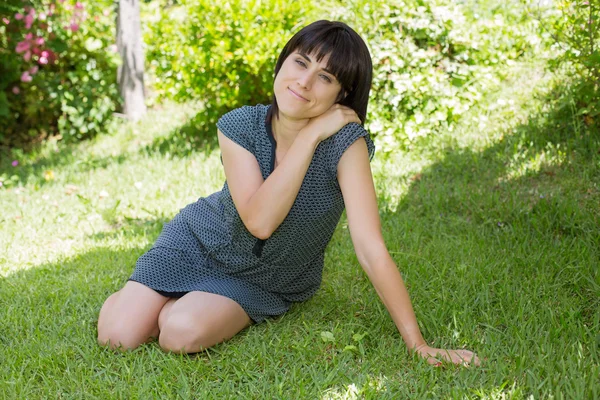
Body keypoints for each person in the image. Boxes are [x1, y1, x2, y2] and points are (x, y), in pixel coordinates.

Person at [97, 20, 480, 367]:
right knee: (117, 337)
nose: (305, 82)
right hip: (198, 240)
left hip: (263, 279)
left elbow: (370, 247)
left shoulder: (348, 146)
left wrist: (417, 343)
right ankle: (152, 298)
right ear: (282, 64)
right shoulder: (240, 127)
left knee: (179, 332)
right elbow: (259, 220)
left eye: (325, 77)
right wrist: (311, 135)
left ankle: (173, 306)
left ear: (342, 94)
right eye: (301, 63)